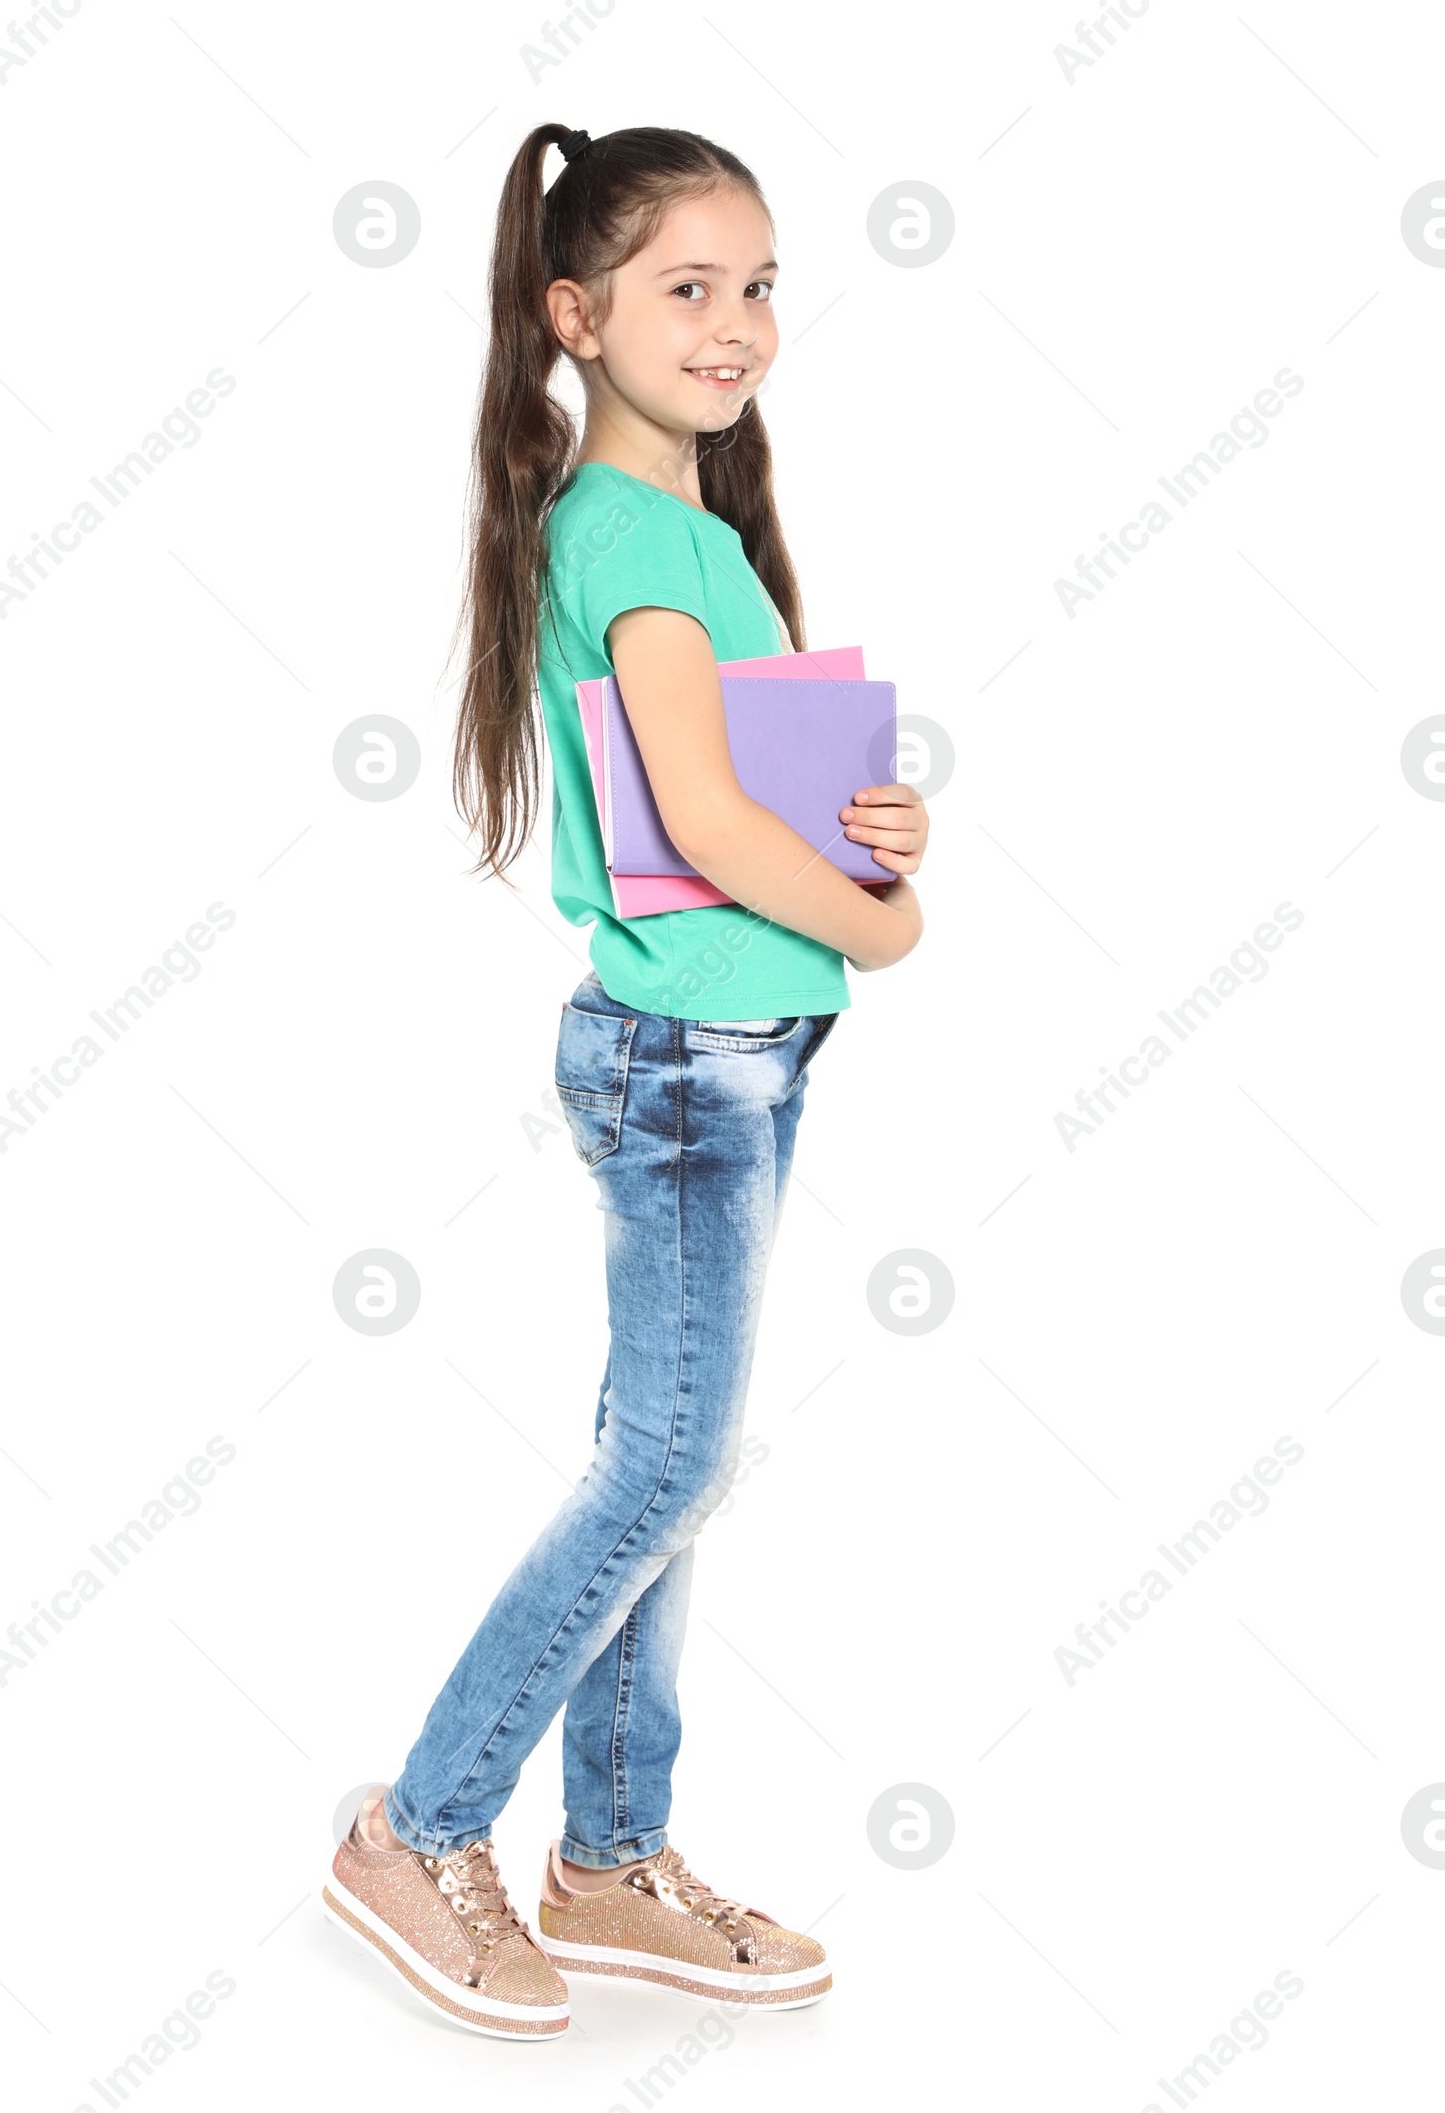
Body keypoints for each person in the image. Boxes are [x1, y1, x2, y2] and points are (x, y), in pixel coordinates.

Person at [321, 121, 928, 2041]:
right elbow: (704, 819)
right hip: (694, 1060)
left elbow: (739, 801)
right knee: (667, 1460)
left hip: (728, 1042)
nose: (738, 322)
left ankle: (606, 1855)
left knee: (661, 1465)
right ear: (575, 316)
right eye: (687, 286)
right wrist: (884, 920)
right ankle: (424, 1828)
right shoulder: (640, 537)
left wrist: (866, 832)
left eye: (757, 284)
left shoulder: (677, 534)